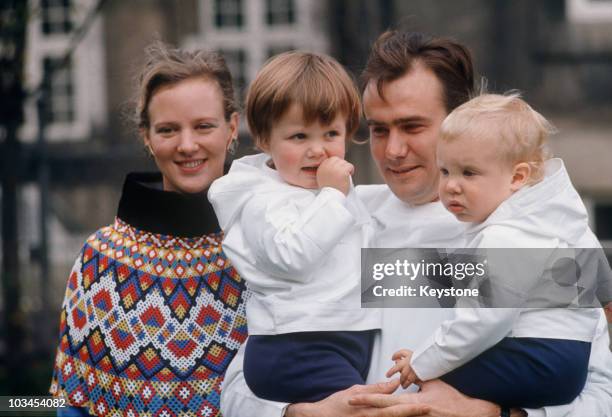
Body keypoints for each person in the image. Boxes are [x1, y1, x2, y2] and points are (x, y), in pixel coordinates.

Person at [220, 30, 612, 417]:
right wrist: (301, 413)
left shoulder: (538, 228)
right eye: (378, 129)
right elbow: (243, 385)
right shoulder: (331, 220)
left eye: (412, 126)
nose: (393, 150)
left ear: (463, 121)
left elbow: (598, 390)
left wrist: (496, 415)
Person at [49, 42, 249, 417]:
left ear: (232, 127)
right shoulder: (101, 263)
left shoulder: (270, 245)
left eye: (204, 126)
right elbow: (73, 409)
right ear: (146, 136)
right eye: (168, 129)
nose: (187, 145)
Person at [389, 93, 602, 408]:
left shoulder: (506, 236)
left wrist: (422, 361)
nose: (450, 186)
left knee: (425, 385)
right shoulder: (551, 223)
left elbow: (483, 320)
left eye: (469, 173)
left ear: (517, 177)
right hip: (561, 361)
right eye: (445, 171)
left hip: (539, 359)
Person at [208, 51, 380, 404]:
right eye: (299, 137)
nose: (317, 150)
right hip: (296, 346)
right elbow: (293, 256)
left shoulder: (340, 197)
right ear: (263, 138)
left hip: (342, 340)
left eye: (331, 133)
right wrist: (333, 195)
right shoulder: (263, 201)